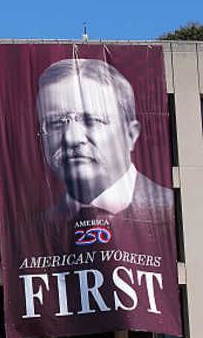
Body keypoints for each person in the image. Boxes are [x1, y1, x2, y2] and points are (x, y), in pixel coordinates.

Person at [36, 58, 173, 223]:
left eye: (92, 120)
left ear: (131, 135)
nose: (72, 138)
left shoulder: (174, 211)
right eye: (55, 123)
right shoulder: (32, 231)